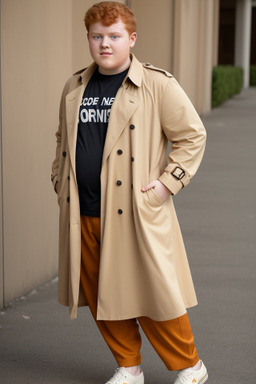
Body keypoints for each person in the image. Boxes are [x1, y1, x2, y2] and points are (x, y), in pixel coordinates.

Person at [51, 2, 208, 384]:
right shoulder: (75, 86)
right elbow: (63, 141)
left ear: (131, 39)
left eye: (114, 36)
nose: (105, 44)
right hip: (83, 212)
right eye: (97, 37)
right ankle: (129, 367)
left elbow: (192, 136)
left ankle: (191, 366)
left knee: (154, 294)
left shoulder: (157, 84)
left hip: (134, 210)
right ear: (88, 39)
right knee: (104, 297)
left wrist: (166, 185)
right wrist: (59, 179)